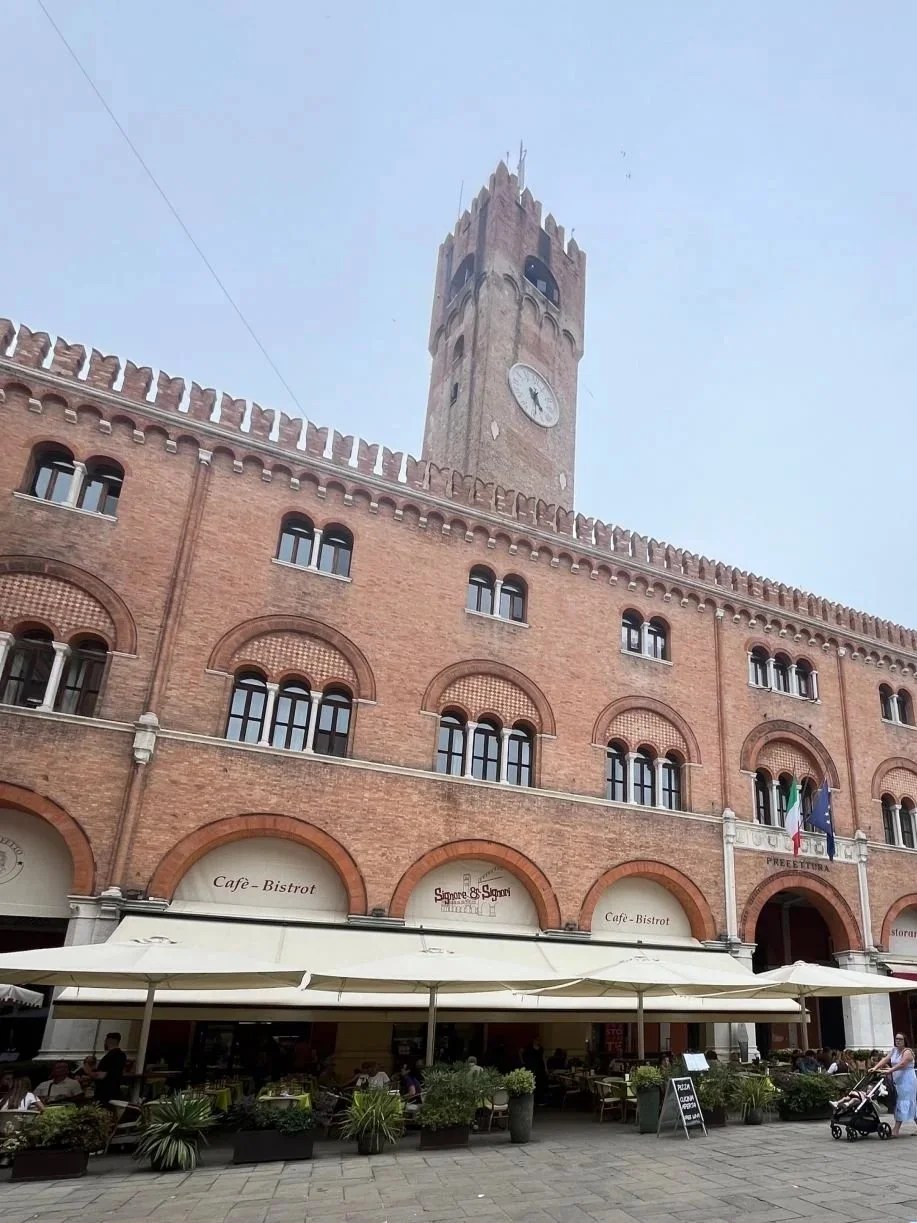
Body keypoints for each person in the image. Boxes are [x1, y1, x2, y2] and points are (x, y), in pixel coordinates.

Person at [871, 1033, 917, 1137]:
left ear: (905, 1040)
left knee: (902, 1102)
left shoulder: (908, 1052)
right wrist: (876, 1068)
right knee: (907, 1103)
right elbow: (885, 1059)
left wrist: (890, 1070)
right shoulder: (894, 1050)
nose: (898, 1041)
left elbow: (902, 1064)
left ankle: (895, 1130)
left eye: (900, 1039)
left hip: (907, 1081)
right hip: (898, 1080)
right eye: (896, 1039)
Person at [94, 1033, 127, 1105]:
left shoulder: (109, 1056)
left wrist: (88, 1072)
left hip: (105, 1093)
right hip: (115, 1090)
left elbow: (101, 1076)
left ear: (109, 1040)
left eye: (105, 1040)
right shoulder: (122, 1055)